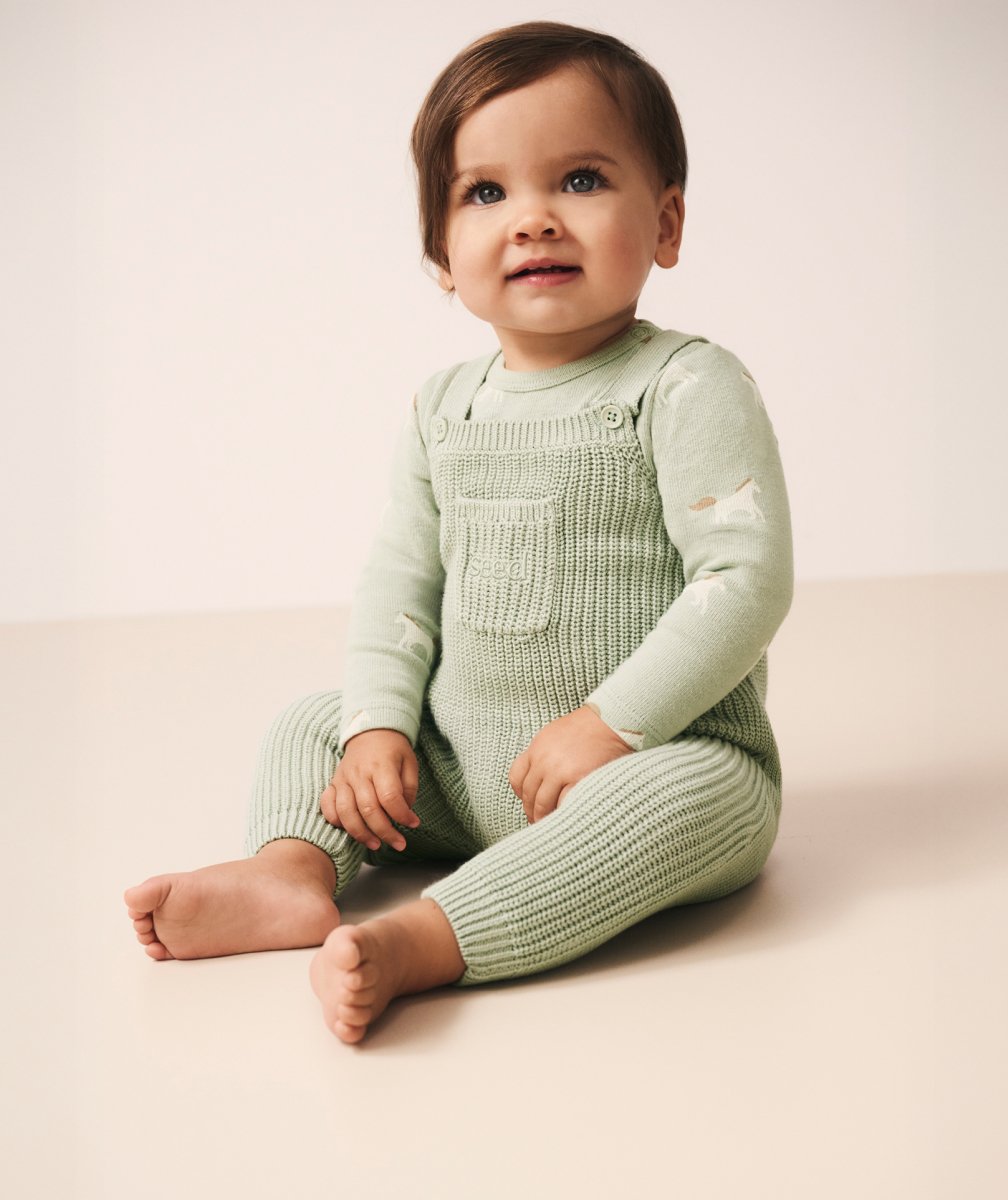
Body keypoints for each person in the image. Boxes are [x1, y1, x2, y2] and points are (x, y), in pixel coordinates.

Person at [124, 20, 793, 1045]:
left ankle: (427, 939)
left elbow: (743, 580)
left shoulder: (683, 384)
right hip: (462, 771)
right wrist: (381, 731)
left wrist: (610, 725)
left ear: (665, 222)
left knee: (681, 802)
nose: (533, 220)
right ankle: (290, 873)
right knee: (318, 721)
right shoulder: (444, 406)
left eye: (579, 180)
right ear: (441, 255)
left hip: (647, 760)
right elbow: (401, 582)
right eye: (485, 193)